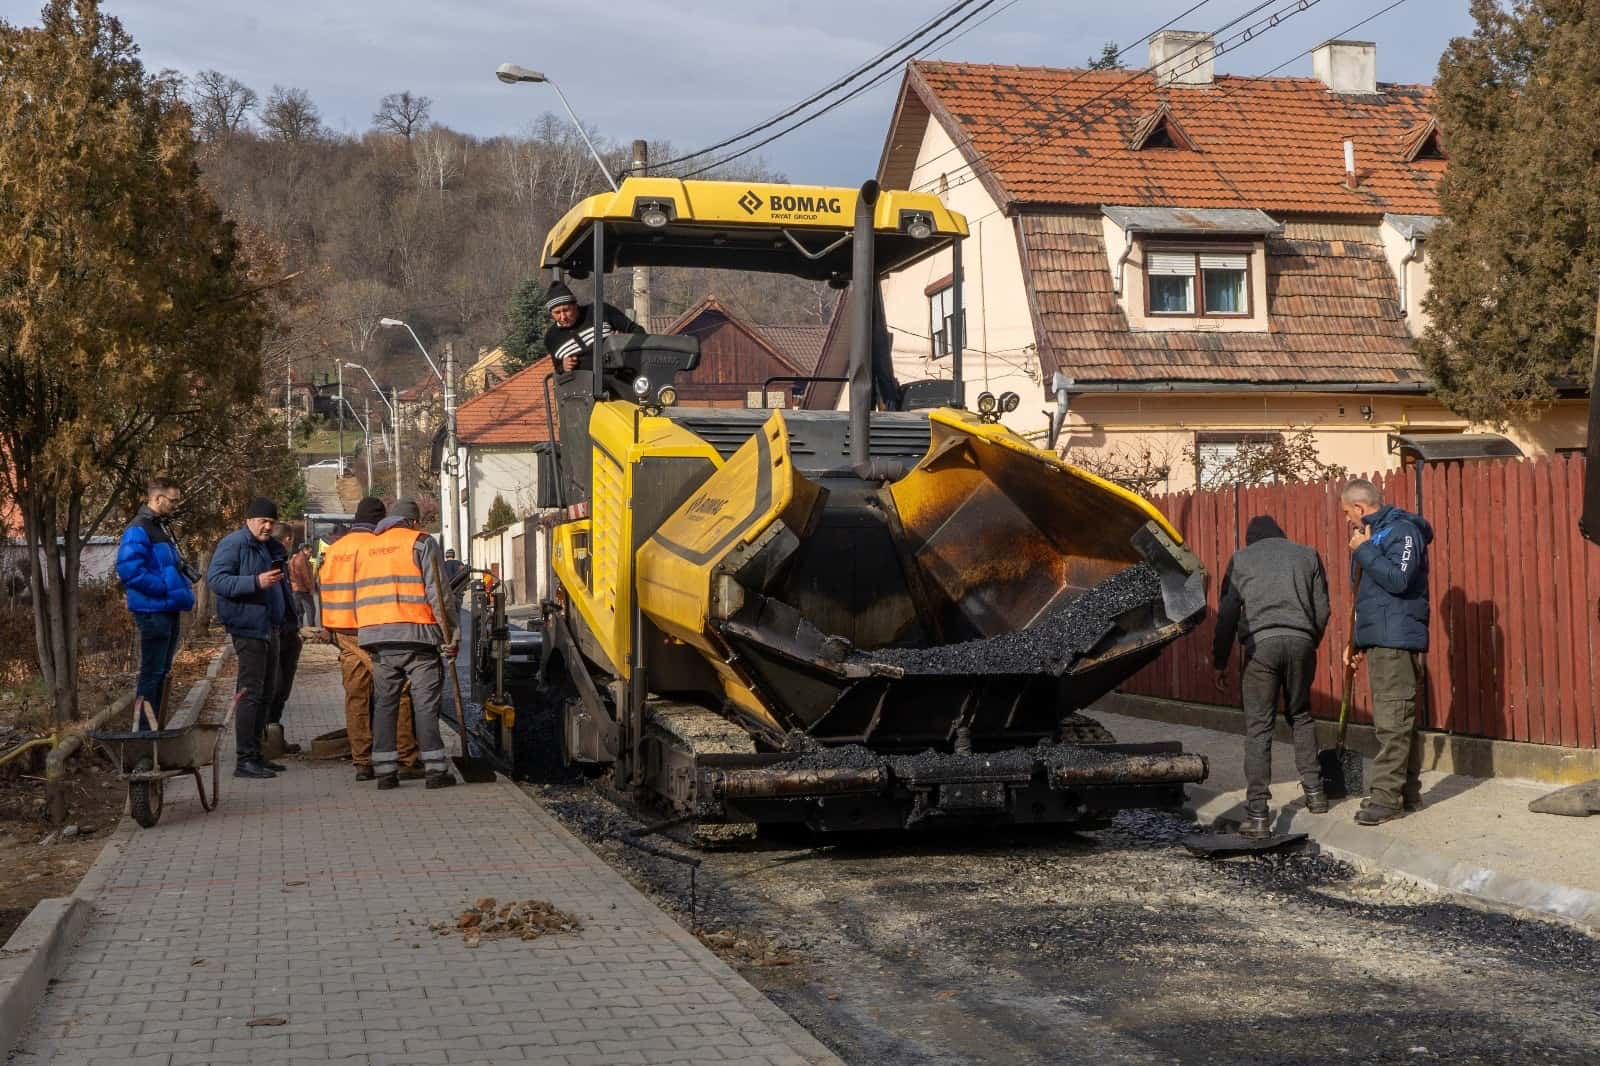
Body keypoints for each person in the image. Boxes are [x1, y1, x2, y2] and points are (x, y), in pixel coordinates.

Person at [1212, 516, 1332, 837]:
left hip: (1261, 648)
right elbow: (1322, 609)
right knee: (1301, 714)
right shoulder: (1307, 555)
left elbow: (1226, 615)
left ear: (1252, 541)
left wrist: (1219, 661)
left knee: (1259, 728)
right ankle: (1316, 794)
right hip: (1302, 642)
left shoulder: (1241, 560)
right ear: (1282, 535)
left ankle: (1258, 815)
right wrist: (1308, 642)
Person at [1341, 479, 1434, 826]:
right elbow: (1370, 597)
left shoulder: (1403, 532)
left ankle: (1385, 799)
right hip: (1381, 638)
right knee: (1398, 719)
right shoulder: (1372, 537)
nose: (1348, 520)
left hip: (1397, 641)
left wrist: (1364, 552)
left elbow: (1398, 580)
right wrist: (1356, 642)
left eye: (1348, 513)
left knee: (1392, 722)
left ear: (1361, 508)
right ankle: (1405, 792)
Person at [317, 498, 425, 781]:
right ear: (380, 520)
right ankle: (406, 757)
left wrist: (327, 627)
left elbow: (323, 591)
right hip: (370, 629)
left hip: (341, 631)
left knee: (356, 695)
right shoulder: (375, 547)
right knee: (397, 690)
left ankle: (362, 762)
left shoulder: (334, 549)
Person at [354, 497, 455, 789]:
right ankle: (435, 771)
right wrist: (450, 635)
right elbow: (438, 592)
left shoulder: (367, 548)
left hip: (377, 638)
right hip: (417, 637)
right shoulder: (421, 543)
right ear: (412, 522)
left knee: (385, 704)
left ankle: (385, 773)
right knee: (424, 704)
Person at [207, 498, 292, 779]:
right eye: (263, 521)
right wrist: (255, 582)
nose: (268, 527)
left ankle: (257, 753)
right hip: (248, 627)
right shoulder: (234, 544)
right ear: (249, 520)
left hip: (271, 627)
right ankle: (244, 759)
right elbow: (217, 580)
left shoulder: (271, 548)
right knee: (251, 693)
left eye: (271, 522)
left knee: (267, 692)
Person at [115, 476, 197, 729]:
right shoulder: (138, 529)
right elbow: (130, 571)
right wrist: (166, 588)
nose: (175, 505)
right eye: (173, 500)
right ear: (157, 498)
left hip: (166, 608)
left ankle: (153, 729)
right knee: (152, 674)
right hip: (153, 611)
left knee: (161, 671)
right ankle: (143, 734)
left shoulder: (158, 527)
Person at [541, 279, 643, 373]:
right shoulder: (551, 338)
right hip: (582, 388)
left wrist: (624, 342)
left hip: (621, 375)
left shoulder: (599, 310)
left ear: (575, 305)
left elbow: (637, 330)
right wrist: (564, 366)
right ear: (551, 313)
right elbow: (558, 370)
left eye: (566, 310)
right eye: (557, 312)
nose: (563, 317)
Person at [263, 523, 304, 757]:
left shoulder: (283, 562)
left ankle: (275, 736)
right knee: (275, 687)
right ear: (287, 539)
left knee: (282, 688)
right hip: (276, 632)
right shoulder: (272, 560)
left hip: (288, 632)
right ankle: (265, 740)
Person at [288, 541, 317, 628]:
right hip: (303, 589)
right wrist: (310, 588)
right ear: (304, 550)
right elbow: (305, 576)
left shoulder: (294, 559)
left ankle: (299, 630)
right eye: (310, 552)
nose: (311, 554)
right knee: (311, 609)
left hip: (295, 588)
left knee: (299, 612)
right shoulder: (302, 560)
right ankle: (312, 629)